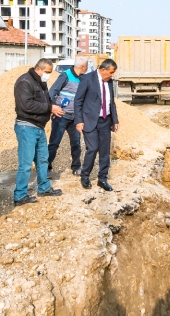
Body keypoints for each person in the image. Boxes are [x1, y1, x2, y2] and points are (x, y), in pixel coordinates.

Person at [13, 59, 65, 206]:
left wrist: (52, 108)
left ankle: (44, 188)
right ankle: (20, 196)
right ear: (38, 69)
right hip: (26, 127)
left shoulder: (40, 82)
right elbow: (27, 105)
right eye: (47, 72)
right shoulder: (25, 81)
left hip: (39, 127)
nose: (48, 75)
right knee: (26, 163)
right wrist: (49, 108)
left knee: (43, 159)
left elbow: (46, 100)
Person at [74, 58, 119, 192]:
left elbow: (111, 102)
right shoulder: (87, 79)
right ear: (103, 69)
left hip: (106, 120)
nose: (112, 75)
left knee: (105, 151)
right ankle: (85, 176)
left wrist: (115, 120)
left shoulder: (109, 82)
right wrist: (79, 121)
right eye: (111, 72)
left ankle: (102, 179)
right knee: (93, 148)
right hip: (90, 120)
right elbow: (78, 101)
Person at [47, 56, 88, 174]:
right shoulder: (65, 75)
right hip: (61, 116)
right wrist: (53, 107)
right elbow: (52, 92)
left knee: (76, 143)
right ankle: (46, 168)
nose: (87, 69)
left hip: (75, 117)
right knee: (54, 143)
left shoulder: (83, 78)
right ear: (82, 67)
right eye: (86, 67)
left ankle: (76, 167)